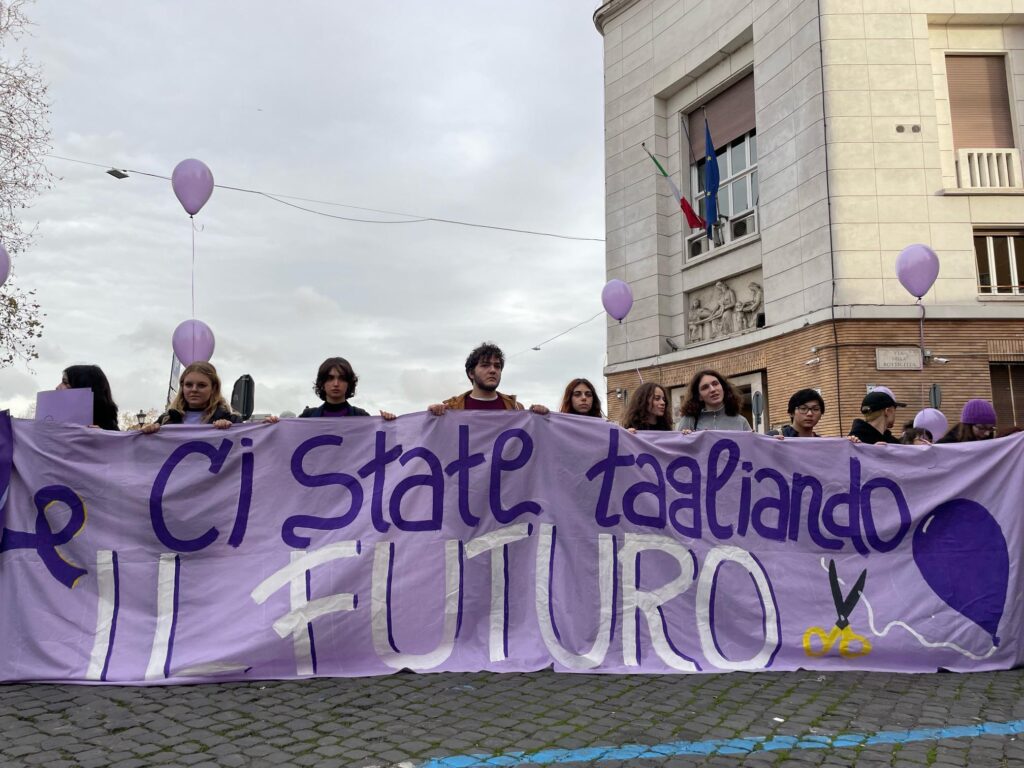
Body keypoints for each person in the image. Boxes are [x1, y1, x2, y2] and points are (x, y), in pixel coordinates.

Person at [428, 342, 548, 414]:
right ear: (471, 373)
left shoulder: (516, 408)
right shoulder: (452, 409)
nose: (492, 370)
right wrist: (430, 417)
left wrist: (543, 418)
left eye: (497, 366)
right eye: (485, 365)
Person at [141, 362, 241, 433]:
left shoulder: (232, 420)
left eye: (201, 385)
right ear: (182, 387)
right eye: (189, 385)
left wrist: (231, 429)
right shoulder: (166, 419)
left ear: (214, 388)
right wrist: (149, 431)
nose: (194, 389)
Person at [293, 357, 396, 420]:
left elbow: (383, 449)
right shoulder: (307, 417)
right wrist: (277, 427)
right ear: (322, 383)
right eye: (330, 378)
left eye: (342, 378)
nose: (336, 384)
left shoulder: (361, 417)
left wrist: (388, 426)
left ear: (349, 383)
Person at [676, 369, 751, 432]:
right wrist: (685, 438)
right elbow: (679, 448)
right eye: (705, 387)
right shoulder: (689, 420)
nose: (712, 389)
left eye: (715, 384)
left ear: (723, 388)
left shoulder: (741, 421)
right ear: (699, 397)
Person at [57, 364, 119, 430]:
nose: (57, 387)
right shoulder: (56, 419)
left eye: (65, 383)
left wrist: (103, 437)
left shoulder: (112, 432)